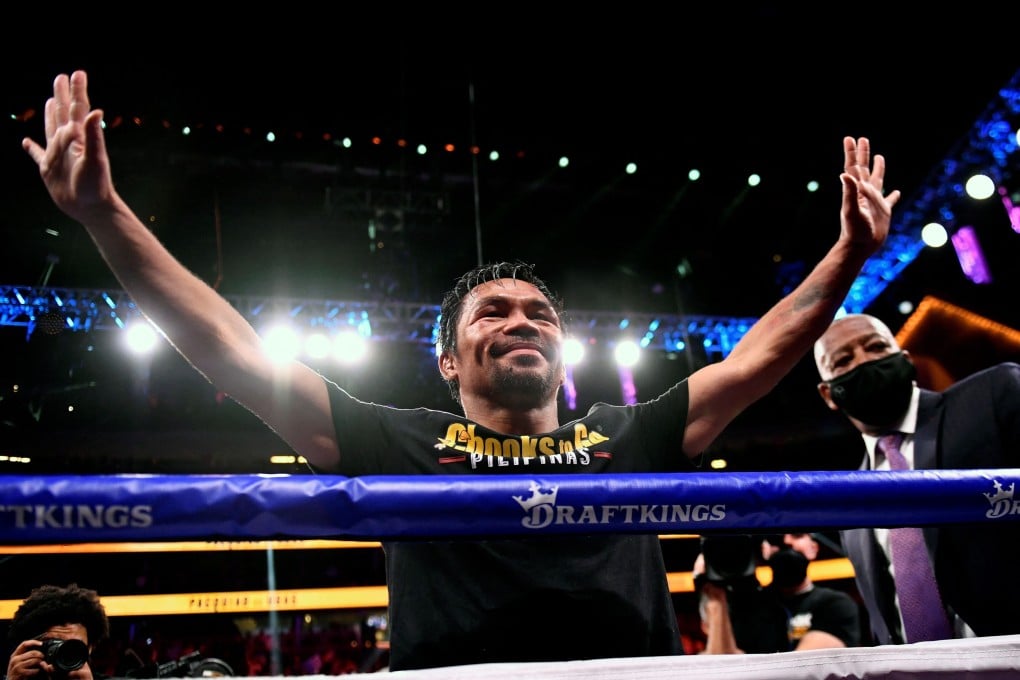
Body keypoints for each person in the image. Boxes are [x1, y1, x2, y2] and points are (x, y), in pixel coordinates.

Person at [22, 70, 900, 671]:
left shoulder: (632, 433)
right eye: (495, 311)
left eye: (541, 314)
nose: (523, 321)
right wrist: (103, 216)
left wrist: (848, 252)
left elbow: (761, 351)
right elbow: (232, 349)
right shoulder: (394, 438)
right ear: (448, 361)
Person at [813, 313, 1020, 644]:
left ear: (905, 360)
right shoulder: (849, 501)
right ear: (828, 394)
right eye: (843, 360)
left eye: (876, 346)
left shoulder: (991, 397)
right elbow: (885, 618)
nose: (865, 361)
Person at [762, 533, 861, 650]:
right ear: (764, 549)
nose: (786, 541)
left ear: (813, 548)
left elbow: (806, 664)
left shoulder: (834, 603)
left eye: (796, 535)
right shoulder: (748, 606)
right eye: (777, 537)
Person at [5, 584, 110, 680]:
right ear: (28, 646)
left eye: (74, 646)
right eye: (54, 644)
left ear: (89, 648)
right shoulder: (16, 676)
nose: (64, 652)